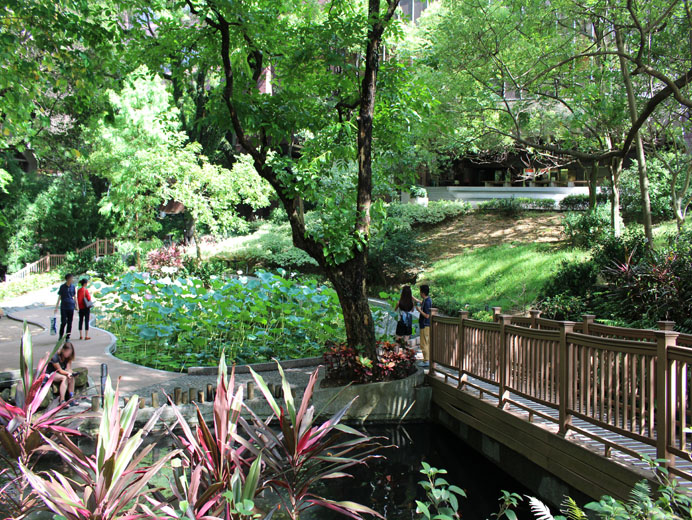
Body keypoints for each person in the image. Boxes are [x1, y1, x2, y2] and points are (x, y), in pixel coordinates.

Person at [415, 284, 433, 367]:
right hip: (424, 325)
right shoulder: (426, 300)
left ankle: (426, 361)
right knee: (426, 342)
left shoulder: (427, 302)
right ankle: (427, 359)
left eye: (420, 291)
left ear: (422, 293)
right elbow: (421, 302)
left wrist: (419, 310)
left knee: (424, 343)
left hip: (425, 324)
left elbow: (427, 315)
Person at [55, 273, 76, 339]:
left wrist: (77, 305)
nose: (72, 280)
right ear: (68, 279)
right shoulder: (62, 287)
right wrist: (56, 307)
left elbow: (75, 296)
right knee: (63, 322)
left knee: (70, 322)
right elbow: (59, 297)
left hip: (71, 306)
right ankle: (61, 336)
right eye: (71, 278)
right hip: (64, 306)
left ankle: (68, 337)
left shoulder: (73, 287)